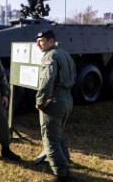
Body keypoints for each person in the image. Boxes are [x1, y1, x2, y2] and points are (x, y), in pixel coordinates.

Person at [35, 29, 76, 182]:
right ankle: (65, 162)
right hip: (67, 98)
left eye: (41, 41)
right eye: (37, 41)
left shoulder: (50, 56)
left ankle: (61, 175)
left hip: (54, 101)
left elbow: (46, 82)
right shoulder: (64, 54)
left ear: (51, 41)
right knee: (58, 135)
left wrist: (40, 102)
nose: (38, 44)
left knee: (50, 139)